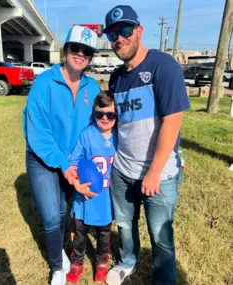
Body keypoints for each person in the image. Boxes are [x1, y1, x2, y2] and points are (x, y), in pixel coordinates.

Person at [102, 5, 191, 285]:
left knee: (161, 237)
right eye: (113, 33)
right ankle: (127, 261)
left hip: (159, 175)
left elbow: (172, 122)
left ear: (139, 31)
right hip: (123, 170)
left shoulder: (163, 66)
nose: (120, 38)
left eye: (126, 30)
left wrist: (154, 172)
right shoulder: (116, 78)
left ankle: (164, 280)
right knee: (126, 225)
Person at [22, 25, 101, 285]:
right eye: (76, 48)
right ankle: (58, 266)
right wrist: (64, 165)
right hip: (43, 159)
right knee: (49, 216)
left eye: (87, 51)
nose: (80, 54)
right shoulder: (44, 82)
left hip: (73, 161)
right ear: (66, 50)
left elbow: (98, 124)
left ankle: (59, 247)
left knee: (61, 213)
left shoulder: (92, 86)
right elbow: (38, 132)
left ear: (91, 57)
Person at [66, 91, 117, 285]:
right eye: (99, 114)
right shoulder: (87, 134)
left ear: (117, 115)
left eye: (110, 114)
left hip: (106, 199)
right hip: (84, 198)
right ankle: (77, 262)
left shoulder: (120, 137)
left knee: (104, 234)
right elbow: (74, 160)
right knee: (80, 232)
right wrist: (77, 183)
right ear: (93, 114)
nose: (104, 118)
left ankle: (102, 261)